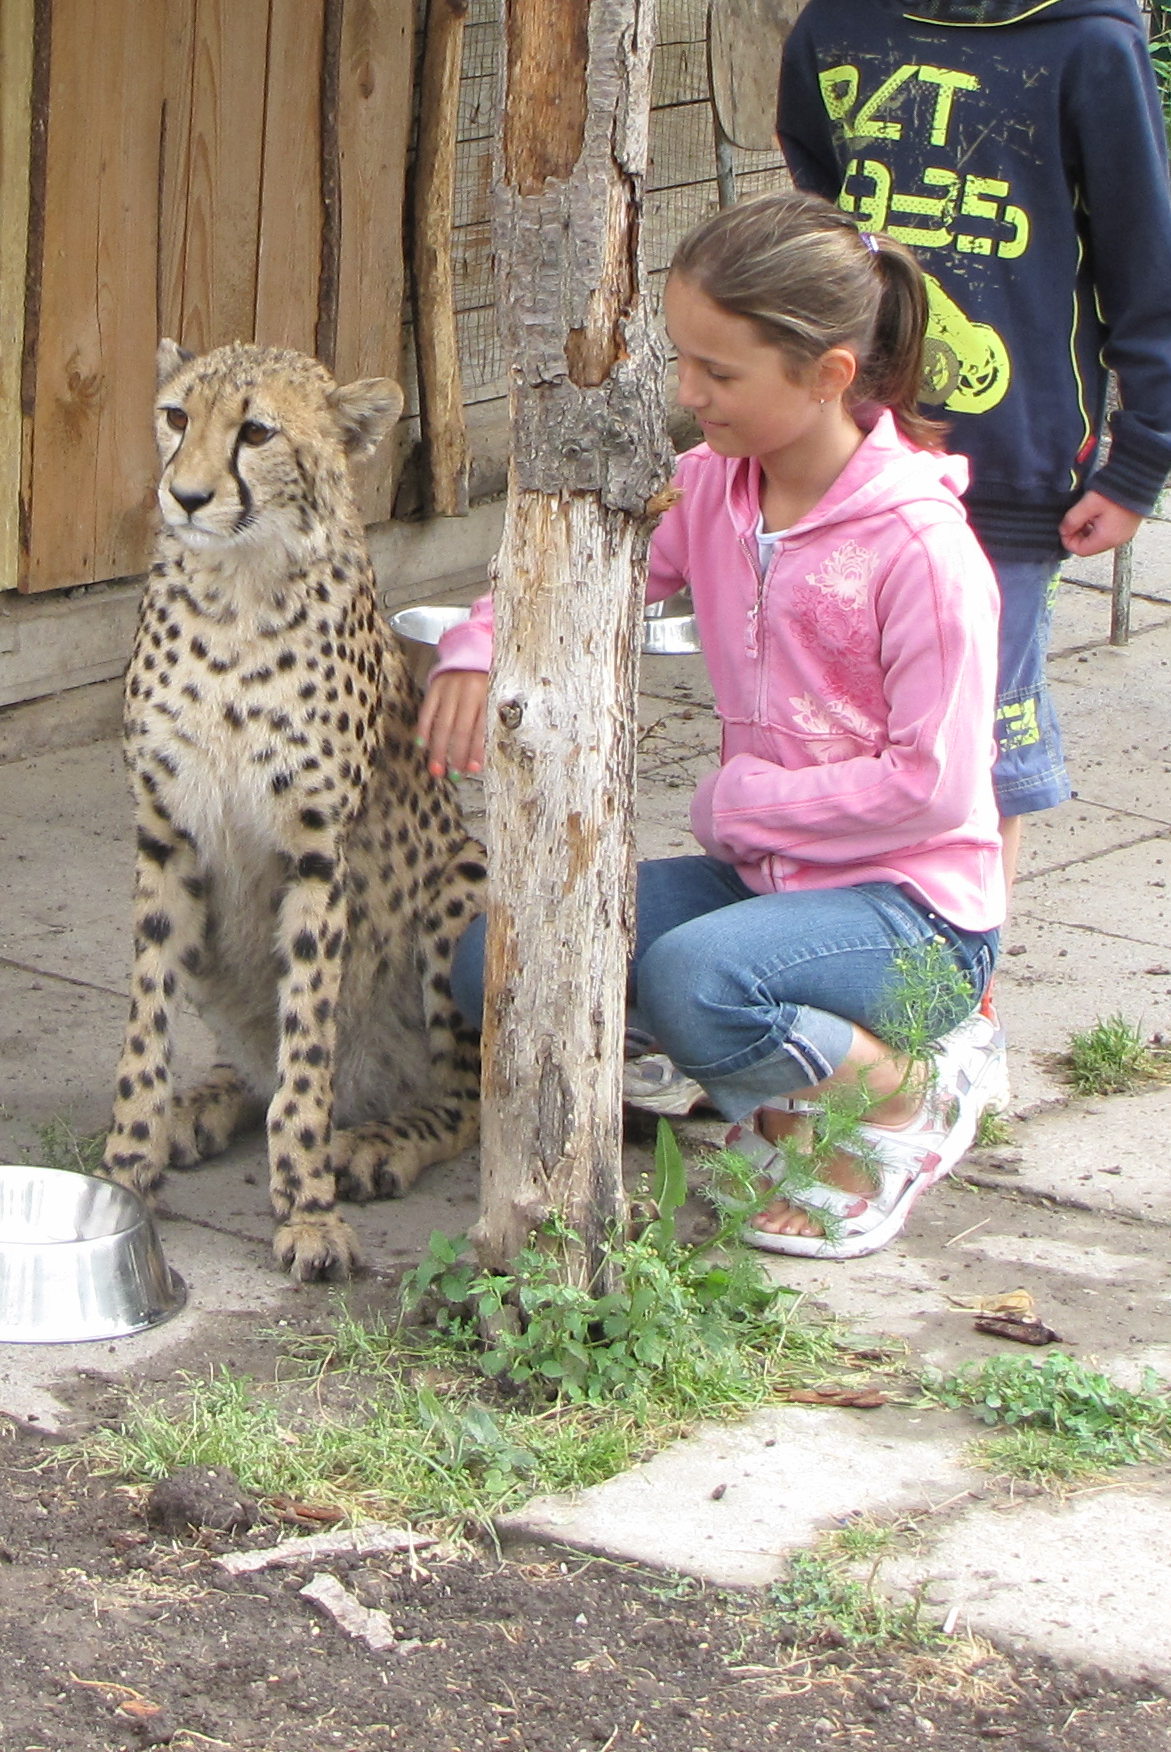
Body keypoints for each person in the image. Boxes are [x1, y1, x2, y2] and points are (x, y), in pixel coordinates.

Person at [420, 197, 1006, 1258]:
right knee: (499, 959)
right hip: (770, 882)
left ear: (828, 375)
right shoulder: (715, 493)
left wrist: (747, 803)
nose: (688, 397)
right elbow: (579, 578)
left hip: (916, 914)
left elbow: (939, 787)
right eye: (683, 362)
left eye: (719, 376)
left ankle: (905, 1097)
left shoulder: (922, 549)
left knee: (699, 981)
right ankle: (773, 1093)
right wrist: (475, 645)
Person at [773, 0, 1171, 1096]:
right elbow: (815, 218)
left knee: (972, 751)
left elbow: (1148, 265)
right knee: (843, 728)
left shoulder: (1085, 44)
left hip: (1012, 477)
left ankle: (961, 1018)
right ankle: (845, 975)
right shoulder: (839, 30)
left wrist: (1140, 458)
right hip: (857, 459)